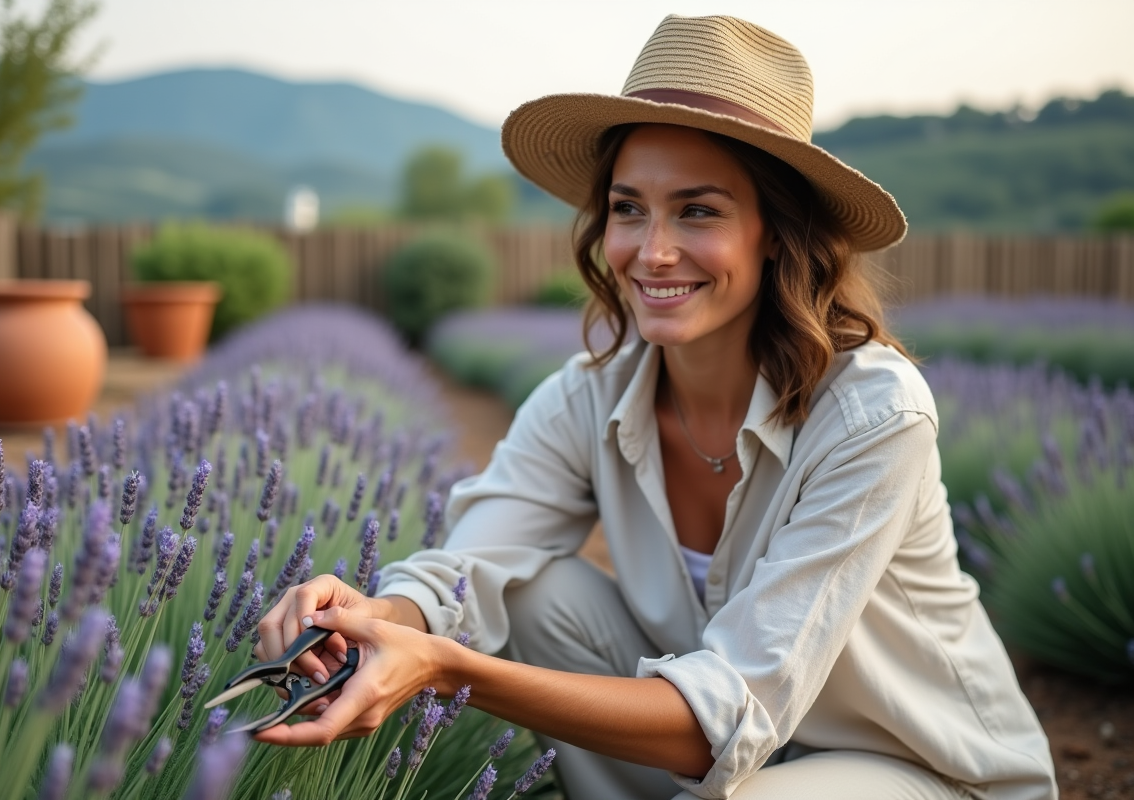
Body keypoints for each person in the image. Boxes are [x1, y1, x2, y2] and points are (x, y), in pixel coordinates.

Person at [254, 15, 1057, 800]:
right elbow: (473, 563)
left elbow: (726, 715)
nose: (652, 250)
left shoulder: (874, 415)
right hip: (741, 764)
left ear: (775, 231)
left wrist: (447, 668)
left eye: (698, 211)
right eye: (629, 207)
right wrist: (378, 619)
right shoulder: (591, 392)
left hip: (917, 765)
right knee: (536, 591)